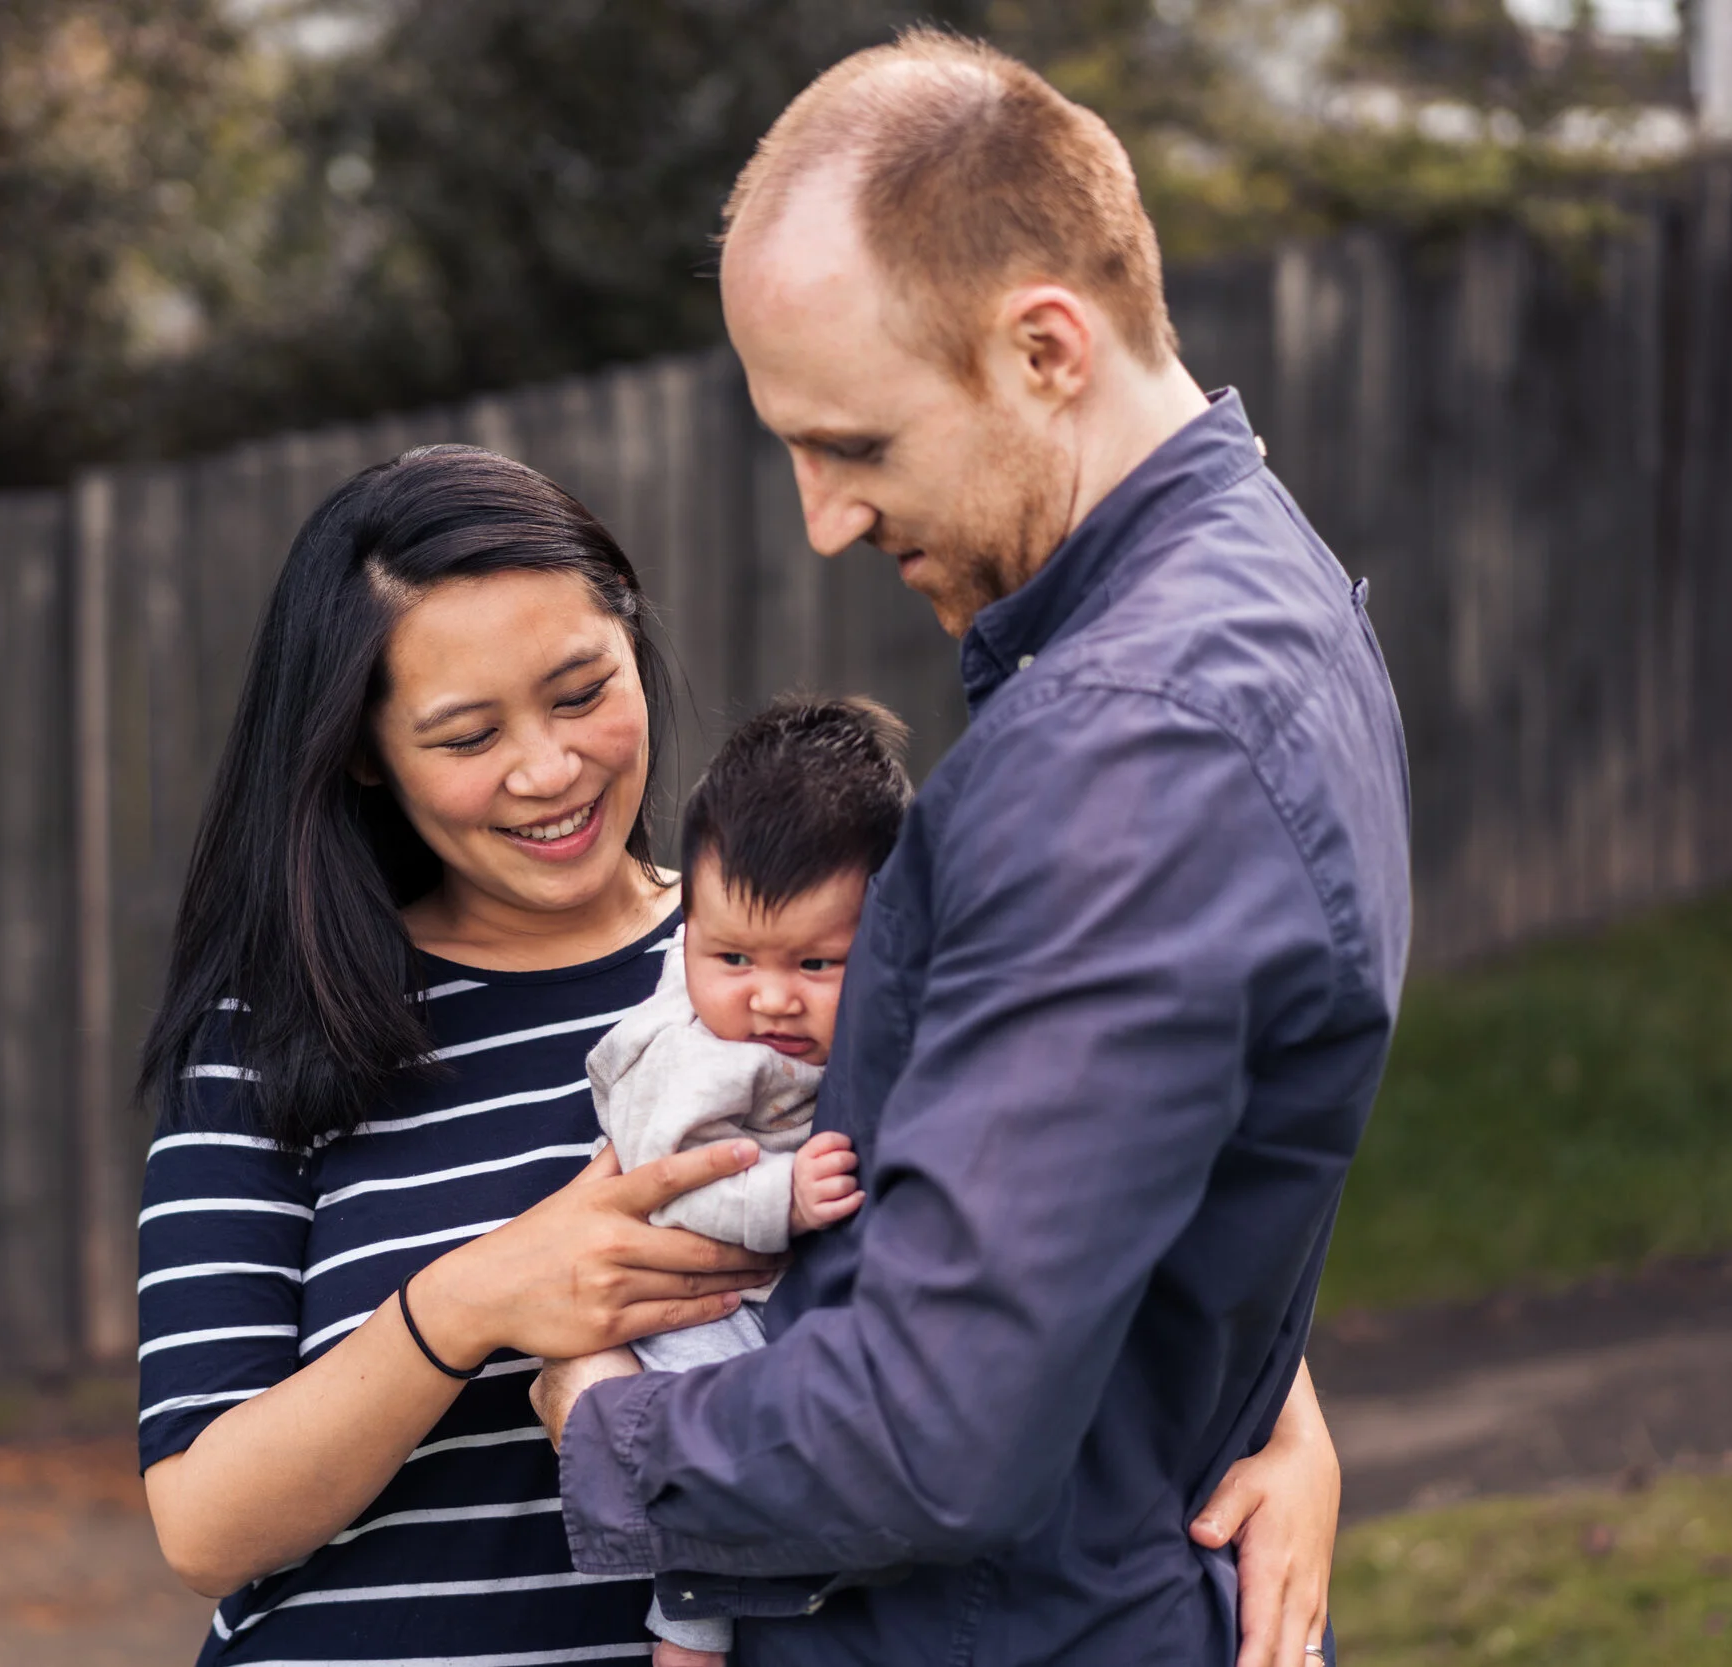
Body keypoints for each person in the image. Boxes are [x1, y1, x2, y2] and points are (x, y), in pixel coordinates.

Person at [132, 444, 1349, 1666]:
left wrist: (1283, 1424)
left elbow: (1076, 1197)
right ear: (361, 751)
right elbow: (203, 1522)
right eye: (465, 735)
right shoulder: (274, 1036)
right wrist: (472, 1300)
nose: (548, 768)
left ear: (633, 643)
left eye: (578, 689)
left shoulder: (808, 964)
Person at [534, 30, 1412, 1667]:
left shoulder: (1125, 742)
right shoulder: (1265, 598)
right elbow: (1130, 1190)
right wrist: (1266, 1398)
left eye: (855, 446)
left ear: (1045, 348)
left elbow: (936, 1422)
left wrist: (602, 1421)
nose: (822, 517)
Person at [583, 696, 914, 1662]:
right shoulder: (687, 1054)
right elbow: (670, 1184)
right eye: (732, 957)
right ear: (690, 927)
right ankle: (688, 1629)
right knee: (705, 1428)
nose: (769, 996)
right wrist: (782, 1197)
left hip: (790, 1301)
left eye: (816, 961)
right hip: (689, 1299)